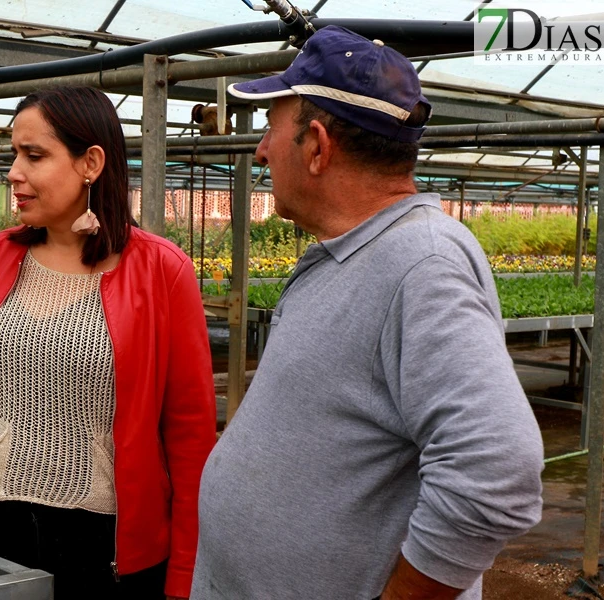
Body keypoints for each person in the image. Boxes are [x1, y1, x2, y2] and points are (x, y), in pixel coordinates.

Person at [192, 26, 544, 600]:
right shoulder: (352, 252)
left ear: (317, 147)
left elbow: (496, 470)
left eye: (272, 128)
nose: (259, 149)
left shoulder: (421, 263)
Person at [0, 86, 216, 600]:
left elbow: (190, 440)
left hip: (101, 550)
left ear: (91, 162)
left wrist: (184, 577)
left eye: (34, 155)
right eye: (13, 153)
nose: (13, 171)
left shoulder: (161, 269)